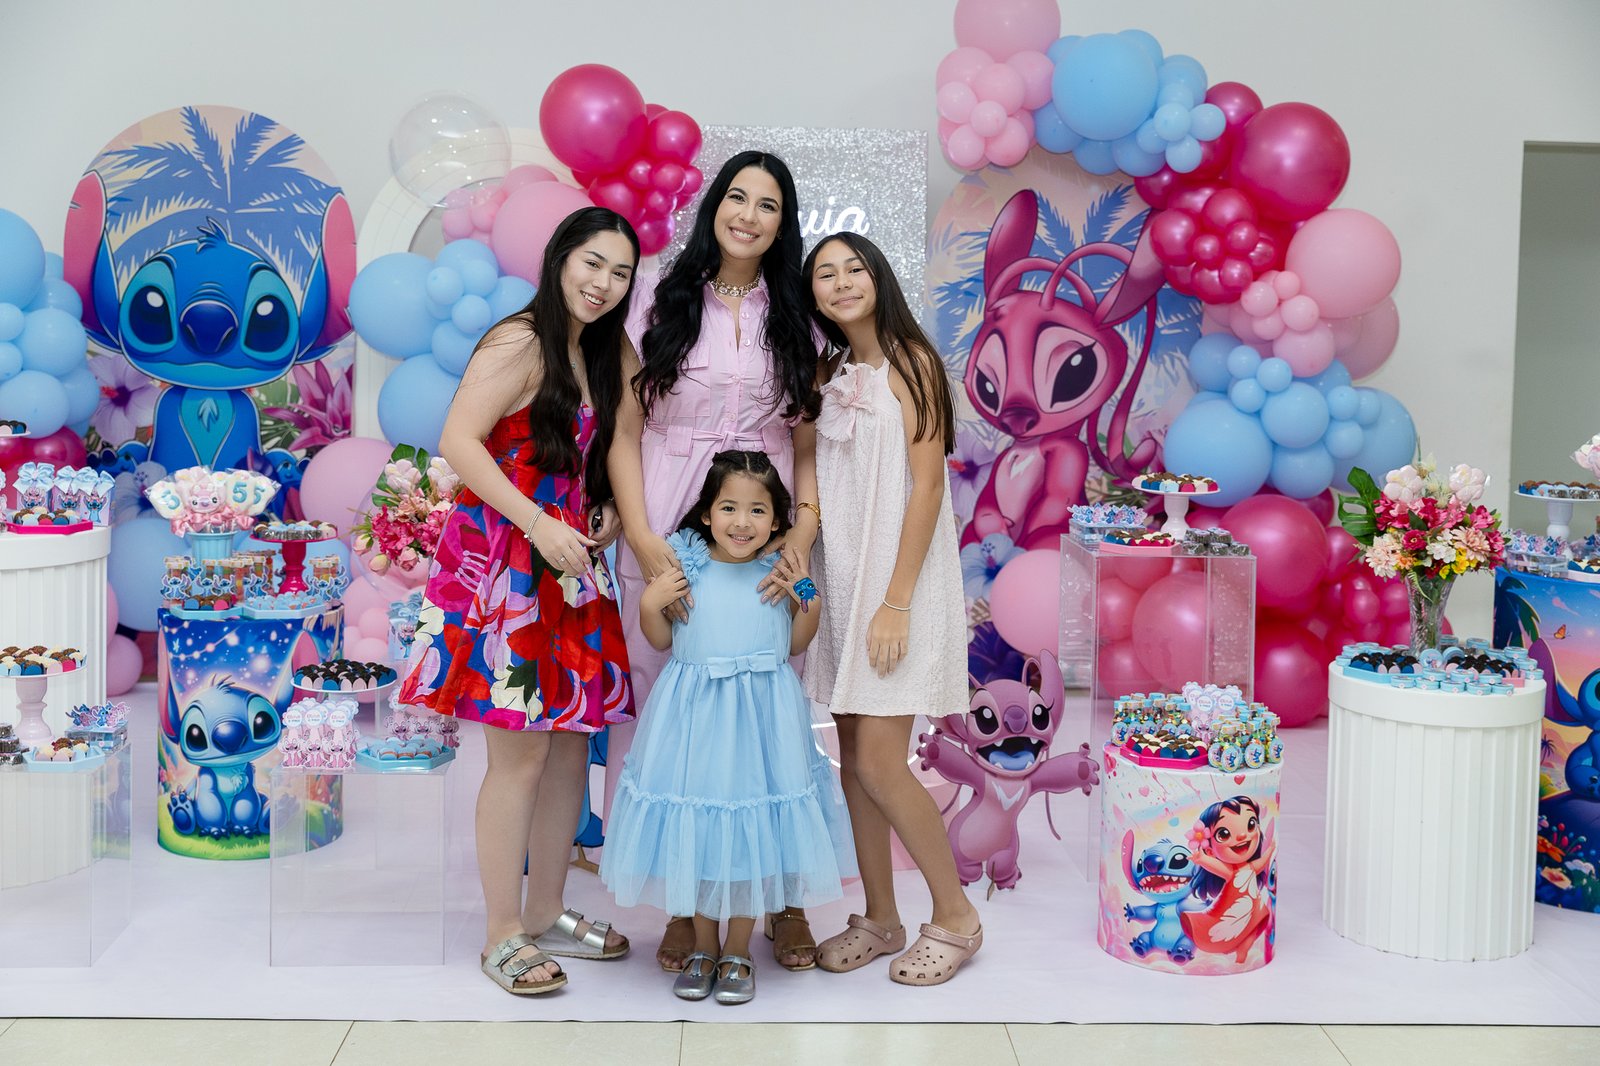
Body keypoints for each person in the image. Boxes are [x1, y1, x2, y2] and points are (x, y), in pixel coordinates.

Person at [396, 207, 639, 996]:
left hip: (570, 564)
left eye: (621, 273)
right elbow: (459, 442)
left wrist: (605, 509)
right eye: (592, 263)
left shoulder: (604, 351)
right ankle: (502, 931)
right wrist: (537, 522)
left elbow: (609, 450)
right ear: (561, 257)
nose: (603, 284)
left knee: (569, 746)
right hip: (509, 563)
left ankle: (545, 909)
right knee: (520, 754)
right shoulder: (521, 339)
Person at [608, 151, 823, 972]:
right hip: (668, 517)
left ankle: (782, 897)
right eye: (737, 197)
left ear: (782, 224)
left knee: (773, 712)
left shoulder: (795, 315)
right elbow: (625, 430)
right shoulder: (658, 298)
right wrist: (641, 534)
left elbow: (806, 444)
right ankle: (684, 900)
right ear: (714, 207)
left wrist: (802, 533)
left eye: (768, 205)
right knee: (669, 714)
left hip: (764, 524)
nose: (748, 215)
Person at [793, 232, 982, 986]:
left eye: (854, 269)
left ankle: (957, 916)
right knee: (853, 761)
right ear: (813, 293)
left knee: (879, 759)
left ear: (878, 279)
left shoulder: (914, 362)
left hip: (897, 583)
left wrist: (896, 601)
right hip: (843, 580)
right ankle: (879, 917)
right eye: (825, 274)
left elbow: (928, 487)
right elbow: (810, 466)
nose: (841, 282)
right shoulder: (828, 370)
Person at [600, 451, 853, 1004]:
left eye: (758, 510)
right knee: (703, 825)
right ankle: (703, 946)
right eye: (729, 508)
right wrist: (650, 603)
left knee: (748, 828)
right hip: (697, 720)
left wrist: (804, 590)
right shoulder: (687, 565)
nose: (743, 522)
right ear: (707, 514)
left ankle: (738, 948)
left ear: (777, 519)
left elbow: (797, 642)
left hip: (762, 722)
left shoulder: (777, 571)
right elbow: (660, 639)